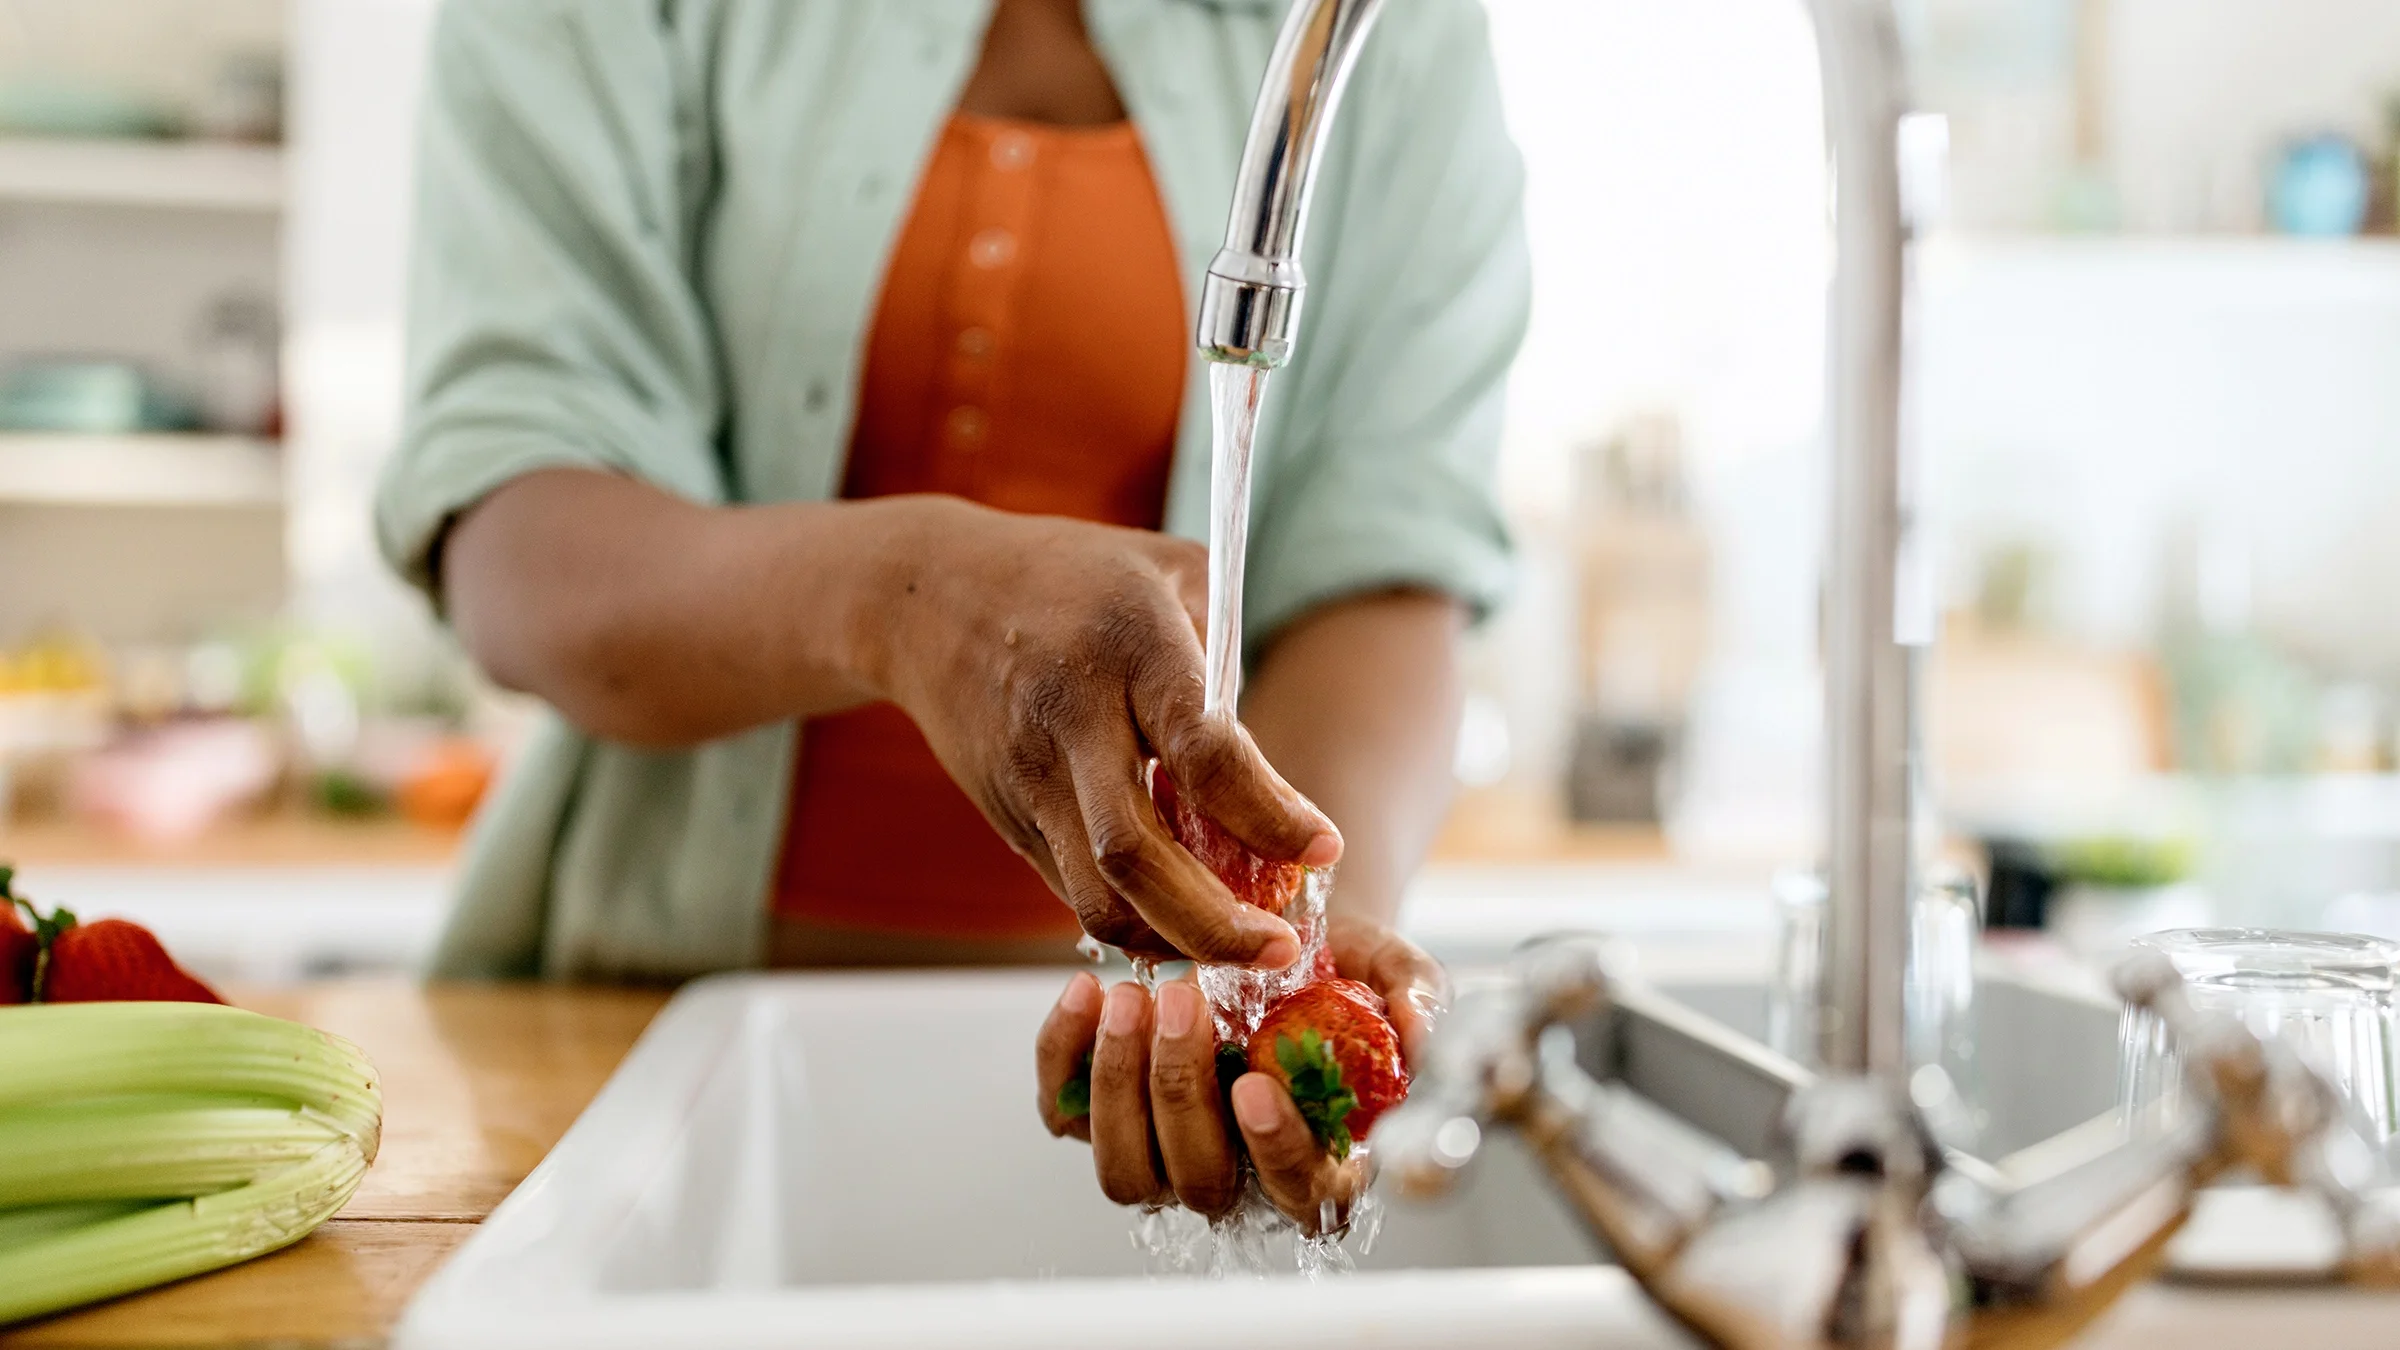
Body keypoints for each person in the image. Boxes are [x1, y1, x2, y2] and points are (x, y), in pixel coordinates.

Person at [377, 0, 1528, 1232]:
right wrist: (911, 599)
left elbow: (1385, 555)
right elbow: (522, 545)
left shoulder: (1385, 28)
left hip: (1136, 1073)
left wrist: (1291, 950)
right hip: (642, 1060)